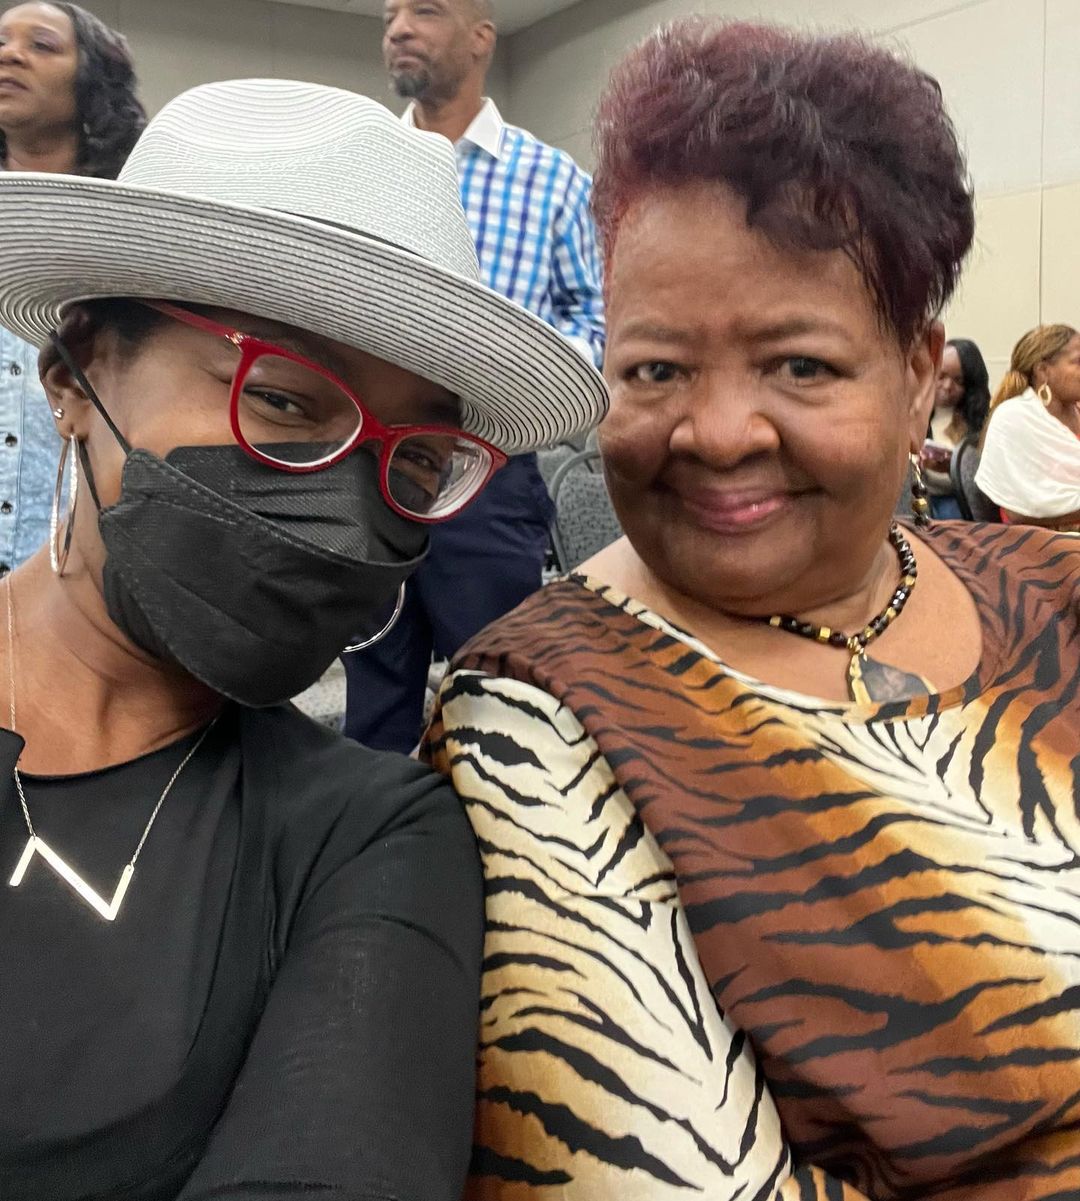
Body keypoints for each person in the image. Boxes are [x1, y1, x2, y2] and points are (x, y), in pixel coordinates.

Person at [425, 18, 1080, 1201]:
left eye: (799, 366)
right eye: (656, 370)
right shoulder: (540, 720)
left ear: (920, 376)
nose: (719, 433)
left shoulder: (1049, 592)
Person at [0, 78, 606, 1200]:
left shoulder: (366, 835)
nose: (346, 508)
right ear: (75, 371)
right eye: (282, 400)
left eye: (414, 459)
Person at [342, 0, 605, 753]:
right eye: (389, 14)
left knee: (498, 703)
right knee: (374, 708)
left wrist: (519, 371)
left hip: (488, 473)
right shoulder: (360, 170)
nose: (398, 27)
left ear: (482, 39)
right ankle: (375, 828)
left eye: (424, 10)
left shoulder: (552, 181)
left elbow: (596, 319)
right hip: (366, 469)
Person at [0, 1, 144, 575]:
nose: (10, 55)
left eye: (41, 44)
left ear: (91, 80)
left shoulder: (134, 222)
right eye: (0, 42)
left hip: (82, 557)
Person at [975, 324, 1080, 530]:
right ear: (1043, 371)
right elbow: (1019, 510)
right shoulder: (1013, 417)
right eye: (1078, 362)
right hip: (1037, 542)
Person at [922, 336, 990, 518]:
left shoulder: (981, 425)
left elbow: (984, 488)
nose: (947, 386)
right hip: (920, 501)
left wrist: (954, 468)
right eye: (941, 376)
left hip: (957, 505)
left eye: (958, 381)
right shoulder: (914, 414)